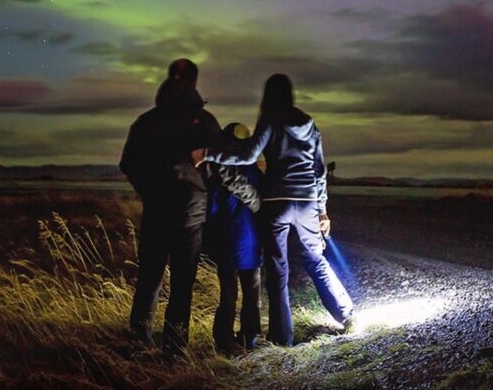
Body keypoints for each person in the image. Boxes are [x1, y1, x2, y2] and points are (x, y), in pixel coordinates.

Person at [193, 73, 354, 347]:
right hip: (306, 203)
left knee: (278, 269)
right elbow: (319, 171)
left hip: (276, 202)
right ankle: (345, 313)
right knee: (316, 258)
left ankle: (282, 338)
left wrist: (207, 153)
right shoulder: (309, 123)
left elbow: (247, 156)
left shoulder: (269, 120)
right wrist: (322, 210)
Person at [119, 58, 221, 354]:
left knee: (149, 278)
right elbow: (221, 164)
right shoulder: (205, 121)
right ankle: (175, 349)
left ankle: (138, 339)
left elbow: (128, 163)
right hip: (191, 213)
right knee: (182, 284)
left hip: (157, 211)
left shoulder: (147, 121)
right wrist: (205, 189)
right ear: (194, 81)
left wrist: (148, 189)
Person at [204, 123, 264, 354]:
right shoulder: (256, 173)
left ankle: (224, 341)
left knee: (228, 294)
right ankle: (252, 337)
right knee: (252, 293)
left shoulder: (219, 174)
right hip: (252, 243)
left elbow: (212, 211)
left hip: (228, 241)